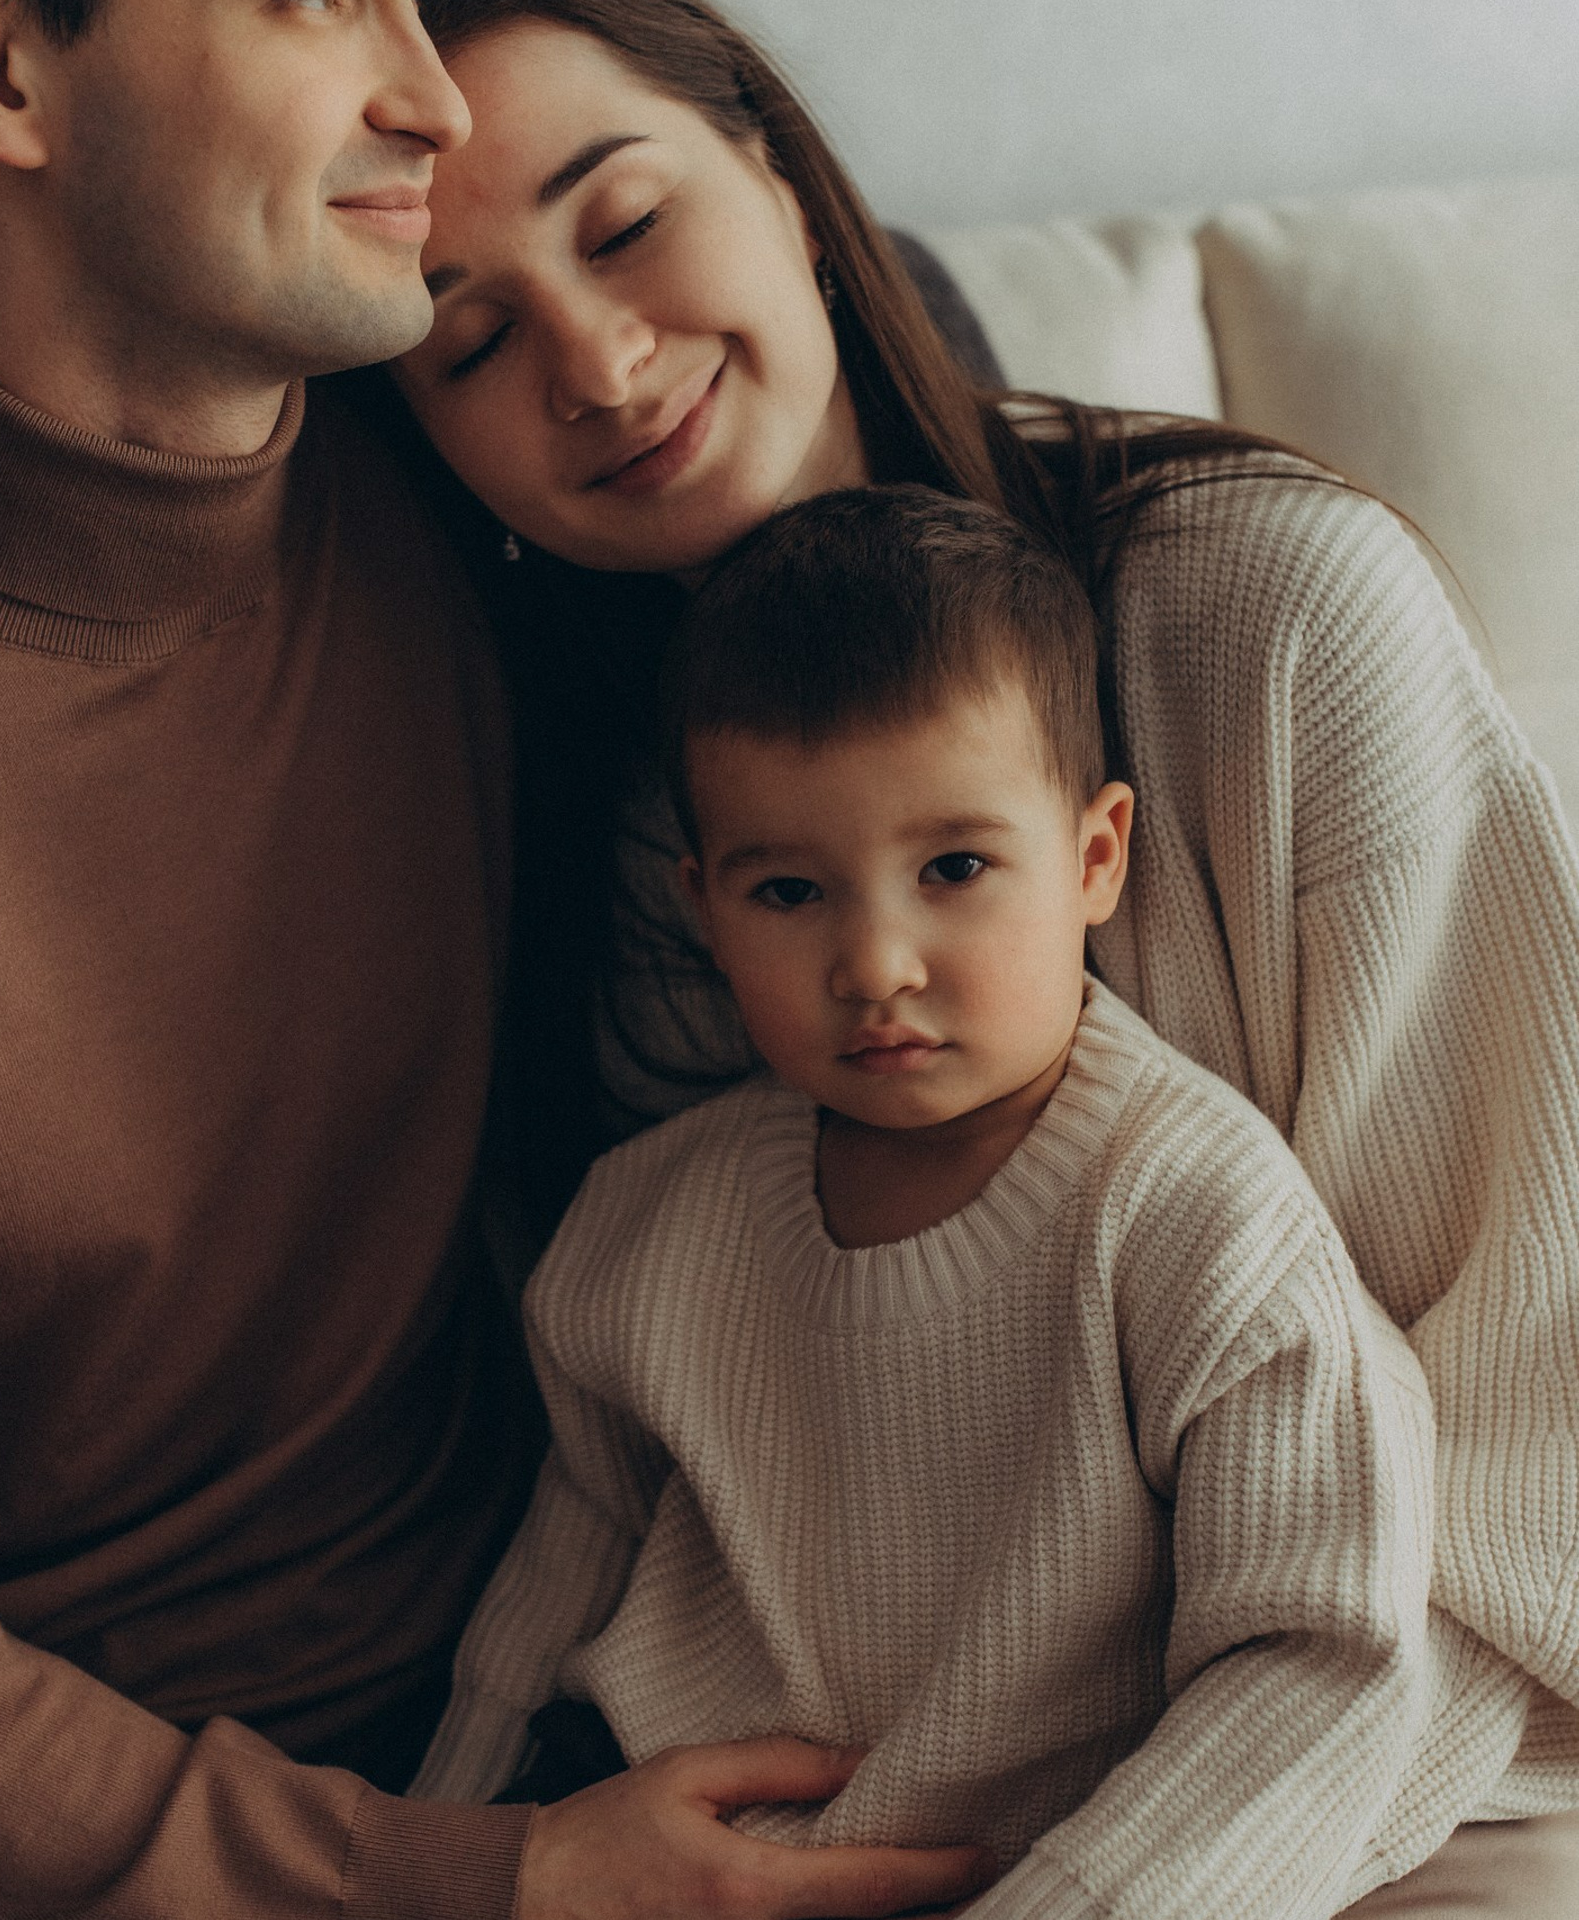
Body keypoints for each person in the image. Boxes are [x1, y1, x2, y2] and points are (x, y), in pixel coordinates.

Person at [0, 3, 994, 1919]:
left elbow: (893, 547)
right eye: (312, 2)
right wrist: (490, 1882)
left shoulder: (465, 479)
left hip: (528, 1692)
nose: (426, 95)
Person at [378, 0, 1579, 1908]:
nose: (597, 368)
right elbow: (631, 1508)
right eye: (468, 339)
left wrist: (1131, 1878)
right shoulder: (557, 825)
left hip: (1386, 1783)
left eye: (622, 228)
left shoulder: (1265, 620)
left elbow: (1531, 1447)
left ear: (777, 172)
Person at [413, 484, 1442, 1920]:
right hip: (659, 1866)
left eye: (954, 868)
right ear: (704, 908)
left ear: (1094, 858)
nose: (877, 962)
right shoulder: (646, 1225)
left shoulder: (1198, 1218)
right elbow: (542, 1614)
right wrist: (443, 1861)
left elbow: (1320, 1662)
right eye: (790, 893)